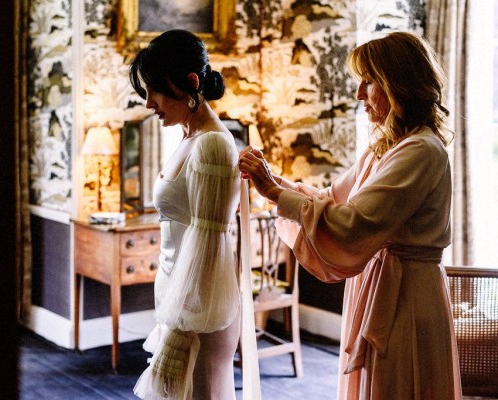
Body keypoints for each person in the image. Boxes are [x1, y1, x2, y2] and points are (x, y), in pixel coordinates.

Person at [239, 31, 462, 399]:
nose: (359, 93)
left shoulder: (422, 151)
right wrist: (275, 180)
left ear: (398, 85)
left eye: (369, 81)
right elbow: (329, 199)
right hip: (381, 286)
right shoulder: (383, 149)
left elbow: (353, 223)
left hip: (406, 297)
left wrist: (275, 193)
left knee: (399, 384)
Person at [129, 29, 242, 399]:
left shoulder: (212, 145)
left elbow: (208, 247)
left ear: (190, 83)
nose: (148, 103)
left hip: (199, 313)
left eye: (154, 91)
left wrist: (181, 328)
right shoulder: (188, 137)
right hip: (178, 300)